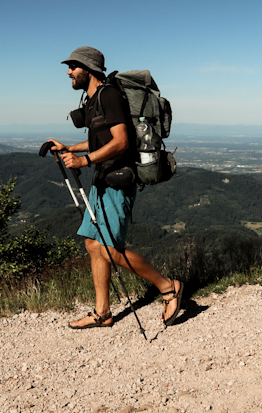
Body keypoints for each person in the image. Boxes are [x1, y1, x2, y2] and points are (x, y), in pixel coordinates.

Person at [48, 46, 183, 329]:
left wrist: (84, 161)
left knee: (110, 249)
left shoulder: (108, 95)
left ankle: (168, 287)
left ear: (88, 68)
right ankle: (103, 312)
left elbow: (121, 142)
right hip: (102, 180)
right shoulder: (95, 98)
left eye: (73, 66)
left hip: (118, 183)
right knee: (92, 244)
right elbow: (101, 142)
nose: (68, 72)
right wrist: (69, 148)